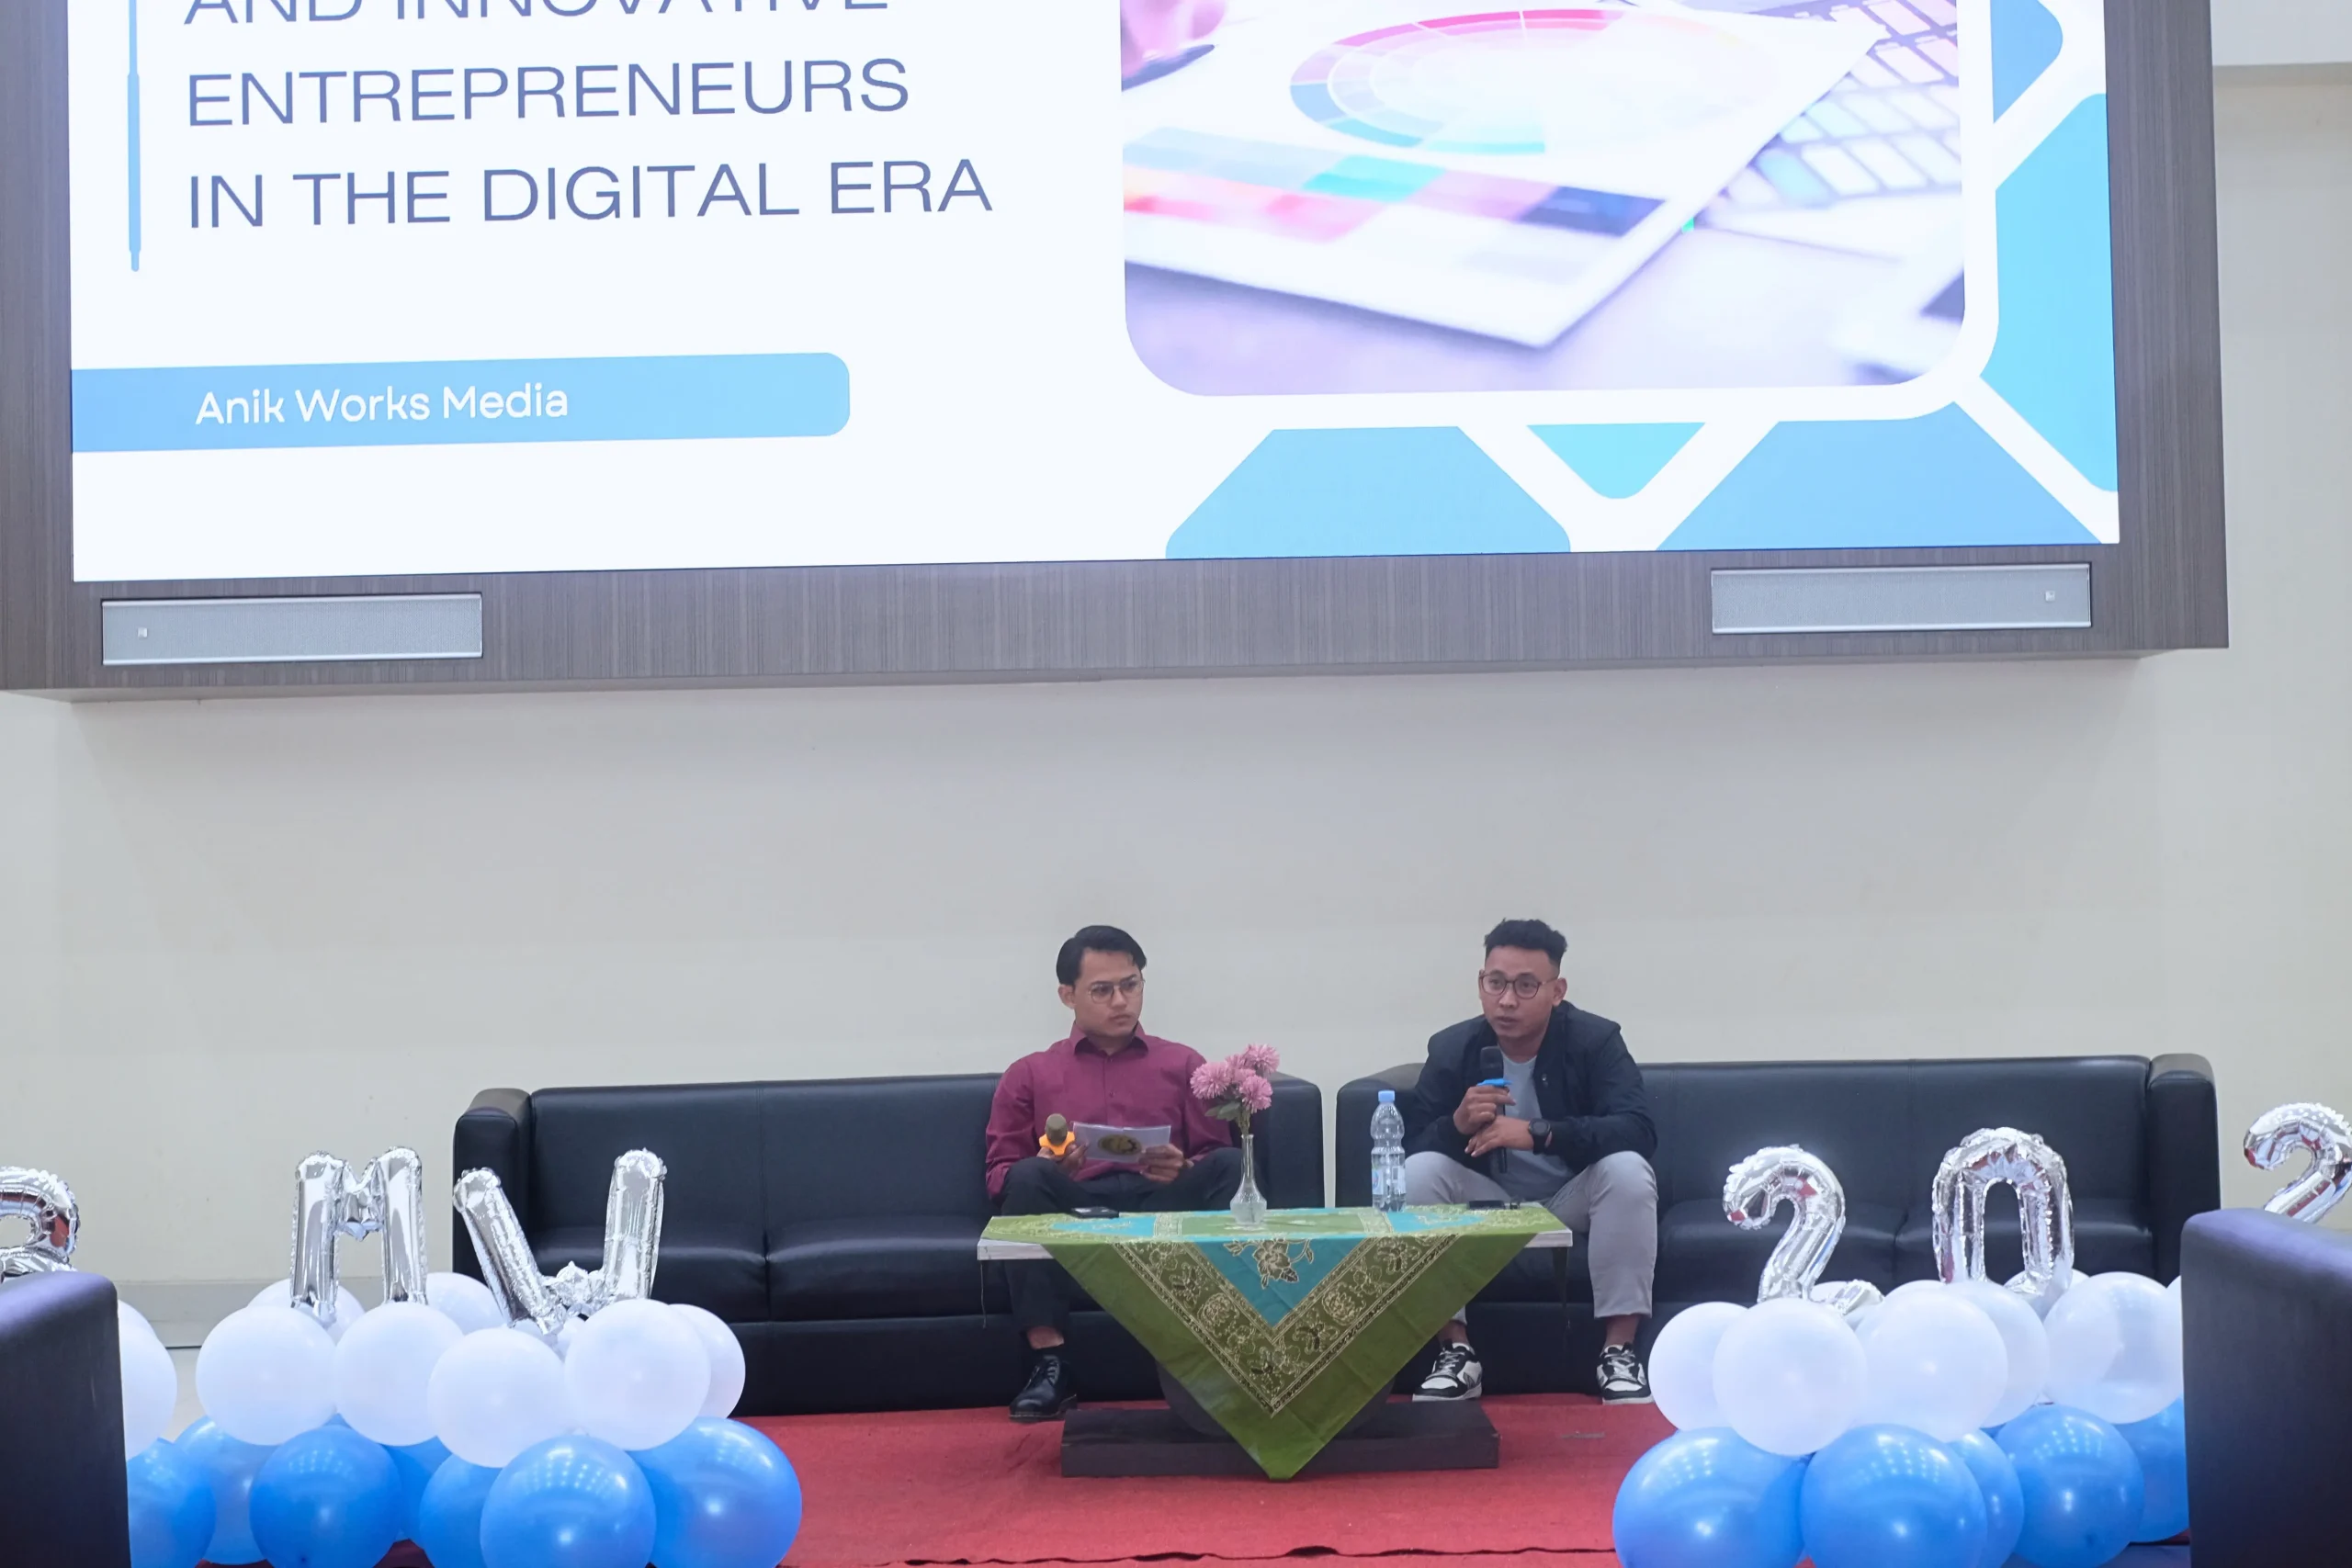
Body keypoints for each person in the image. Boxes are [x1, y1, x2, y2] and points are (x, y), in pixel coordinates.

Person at [986, 925, 1247, 1422]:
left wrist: (1184, 1167)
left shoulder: (1183, 1063)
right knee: (1026, 1177)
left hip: (1161, 1203)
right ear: (1068, 995)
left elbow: (1216, 1155)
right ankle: (1050, 1364)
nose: (1121, 1001)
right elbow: (999, 1176)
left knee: (1232, 1166)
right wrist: (1049, 1167)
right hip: (1077, 1208)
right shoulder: (1030, 1074)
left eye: (1131, 985)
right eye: (1102, 990)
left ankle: (1222, 1354)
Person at [1399, 919, 1658, 1404]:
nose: (1506, 1001)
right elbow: (1412, 1145)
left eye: (1525, 986)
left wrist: (1540, 1134)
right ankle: (1455, 1353)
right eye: (1495, 983)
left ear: (1557, 991)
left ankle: (1619, 1352)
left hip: (1570, 1199)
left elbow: (1637, 1130)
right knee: (1418, 1172)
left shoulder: (1596, 1041)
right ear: (1481, 983)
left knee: (1627, 1169)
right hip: (1490, 1201)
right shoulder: (1452, 1048)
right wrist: (1457, 1124)